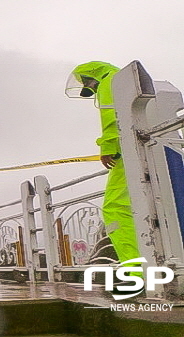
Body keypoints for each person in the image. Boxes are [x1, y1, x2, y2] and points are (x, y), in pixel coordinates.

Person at [65, 61, 142, 276]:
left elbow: (111, 117)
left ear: (92, 77)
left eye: (90, 85)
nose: (93, 90)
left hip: (127, 152)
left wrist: (109, 147)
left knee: (115, 208)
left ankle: (135, 269)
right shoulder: (124, 80)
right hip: (146, 147)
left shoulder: (109, 81)